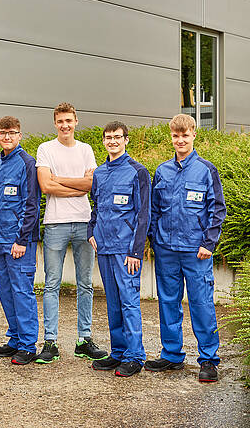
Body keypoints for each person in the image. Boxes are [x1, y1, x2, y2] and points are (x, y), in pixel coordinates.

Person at [145, 114, 226, 383]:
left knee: (201, 304)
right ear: (171, 137)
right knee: (168, 303)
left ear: (194, 135)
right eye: (176, 136)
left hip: (196, 251)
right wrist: (155, 239)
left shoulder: (206, 170)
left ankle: (209, 359)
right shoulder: (162, 171)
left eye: (185, 135)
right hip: (166, 250)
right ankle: (171, 354)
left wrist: (209, 243)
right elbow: (154, 210)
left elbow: (217, 209)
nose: (180, 140)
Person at [35, 102, 107, 363]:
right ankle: (50, 341)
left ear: (76, 121)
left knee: (85, 284)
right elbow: (45, 186)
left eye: (69, 120)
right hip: (56, 223)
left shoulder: (85, 149)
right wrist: (77, 186)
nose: (65, 125)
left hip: (84, 222)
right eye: (60, 121)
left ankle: (84, 340)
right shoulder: (45, 149)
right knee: (51, 284)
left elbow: (91, 184)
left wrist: (59, 179)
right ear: (55, 123)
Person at [88, 121, 151, 377]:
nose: (112, 141)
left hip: (126, 251)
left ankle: (135, 356)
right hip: (104, 247)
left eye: (117, 137)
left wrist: (135, 251)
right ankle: (118, 353)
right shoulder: (99, 172)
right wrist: (91, 230)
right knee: (113, 303)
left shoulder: (138, 172)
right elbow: (96, 206)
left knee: (129, 303)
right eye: (108, 137)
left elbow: (144, 214)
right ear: (103, 141)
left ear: (126, 140)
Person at [0, 116, 41, 365]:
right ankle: (15, 339)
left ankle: (28, 345)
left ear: (19, 135)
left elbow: (31, 205)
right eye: (3, 133)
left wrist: (21, 239)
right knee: (6, 292)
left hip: (18, 242)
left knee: (21, 291)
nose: (7, 137)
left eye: (12, 133)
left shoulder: (27, 163)